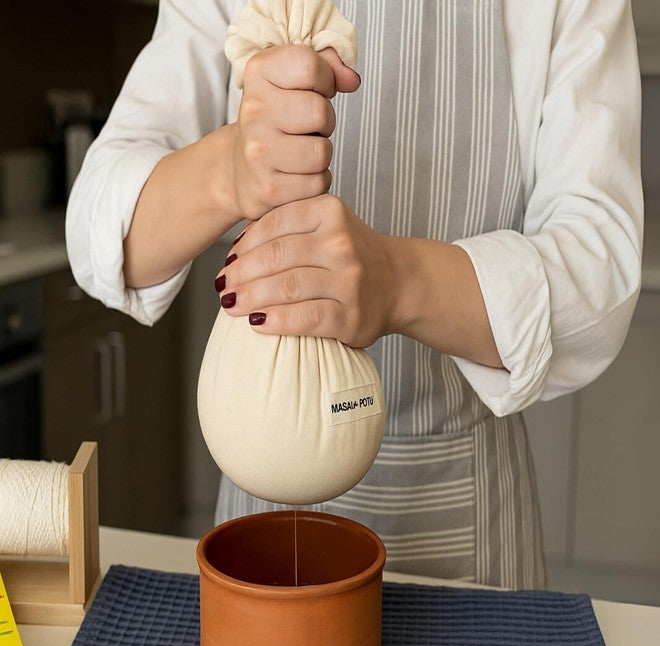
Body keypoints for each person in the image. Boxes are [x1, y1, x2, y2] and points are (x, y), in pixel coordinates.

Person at [65, 0, 643, 590]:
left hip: (469, 524)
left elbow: (599, 279)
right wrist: (231, 171)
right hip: (260, 500)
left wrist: (398, 281)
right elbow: (99, 234)